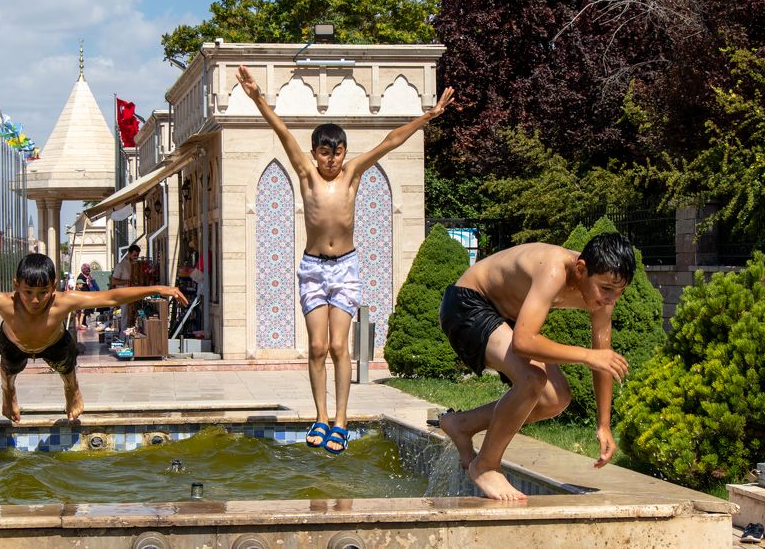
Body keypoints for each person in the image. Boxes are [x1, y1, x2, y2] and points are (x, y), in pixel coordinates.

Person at [236, 64, 455, 455]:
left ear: (344, 153)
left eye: (336, 152)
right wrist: (257, 98)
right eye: (324, 152)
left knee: (340, 347)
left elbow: (390, 141)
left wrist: (429, 116)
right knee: (316, 347)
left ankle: (340, 420)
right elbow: (282, 131)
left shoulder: (352, 174)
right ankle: (320, 417)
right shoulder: (306, 174)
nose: (331, 159)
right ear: (314, 153)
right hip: (313, 269)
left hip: (345, 268)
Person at [437, 233, 634, 500]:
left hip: (504, 316)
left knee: (555, 398)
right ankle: (485, 465)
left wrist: (603, 424)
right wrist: (588, 356)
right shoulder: (554, 268)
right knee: (532, 378)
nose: (611, 299)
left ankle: (461, 425)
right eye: (606, 289)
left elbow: (604, 359)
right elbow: (524, 341)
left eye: (619, 291)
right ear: (581, 269)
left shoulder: (604, 292)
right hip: (467, 304)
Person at [0, 253, 187, 422]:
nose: (35, 300)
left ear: (54, 286)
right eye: (28, 292)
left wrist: (158, 288)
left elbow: (111, 297)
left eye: (43, 292)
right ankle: (8, 392)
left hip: (53, 343)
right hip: (14, 344)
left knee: (67, 368)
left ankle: (71, 390)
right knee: (8, 372)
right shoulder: (4, 302)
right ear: (16, 285)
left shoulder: (64, 301)